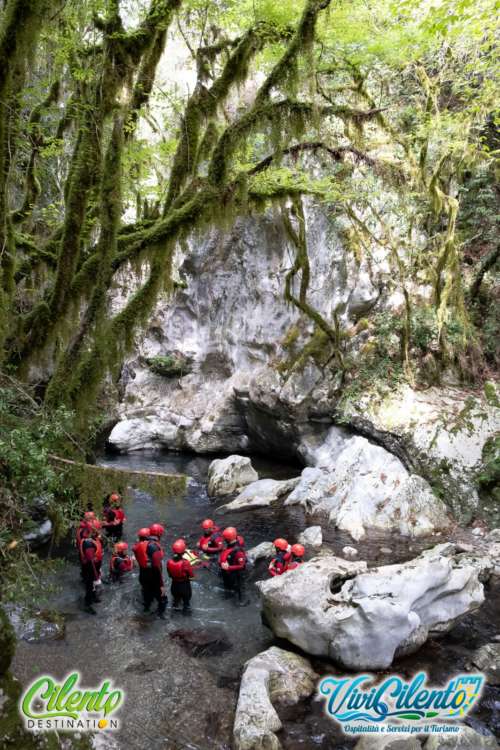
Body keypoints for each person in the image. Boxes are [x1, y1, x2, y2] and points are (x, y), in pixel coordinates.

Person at [140, 523, 167, 618]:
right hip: (153, 577)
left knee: (147, 598)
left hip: (143, 576)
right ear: (159, 534)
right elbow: (157, 567)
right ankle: (161, 616)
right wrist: (162, 585)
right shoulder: (154, 547)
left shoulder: (143, 543)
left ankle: (145, 612)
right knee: (163, 599)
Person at [79, 524, 103, 614]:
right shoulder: (88, 544)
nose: (99, 531)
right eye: (98, 530)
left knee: (91, 584)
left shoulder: (93, 540)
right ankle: (87, 605)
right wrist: (96, 575)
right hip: (90, 568)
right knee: (89, 585)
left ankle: (93, 597)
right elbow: (91, 561)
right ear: (93, 531)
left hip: (92, 567)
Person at [219, 527, 247, 603]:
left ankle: (241, 602)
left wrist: (229, 567)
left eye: (225, 538)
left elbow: (242, 565)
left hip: (236, 574)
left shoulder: (238, 551)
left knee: (239, 588)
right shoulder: (230, 546)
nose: (224, 540)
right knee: (229, 588)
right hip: (228, 573)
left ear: (227, 539)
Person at [167, 539, 194, 612]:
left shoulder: (169, 562)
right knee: (186, 605)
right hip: (184, 586)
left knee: (175, 603)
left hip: (174, 586)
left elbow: (169, 574)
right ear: (183, 551)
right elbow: (191, 575)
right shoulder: (185, 563)